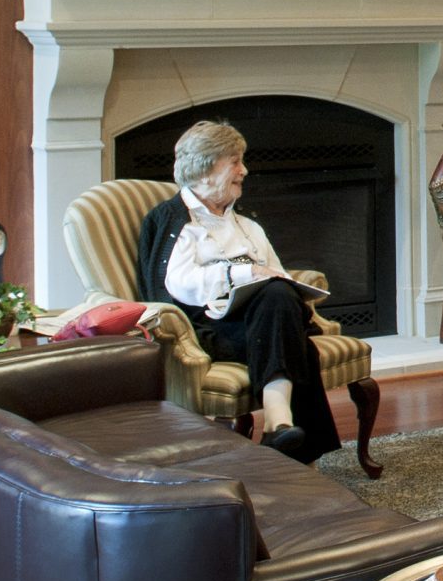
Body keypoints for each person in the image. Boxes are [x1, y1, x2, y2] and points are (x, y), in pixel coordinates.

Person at [135, 119, 343, 464]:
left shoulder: (246, 225)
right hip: (209, 329)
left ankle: (283, 432)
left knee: (279, 300)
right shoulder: (174, 221)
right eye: (234, 162)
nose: (244, 171)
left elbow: (276, 275)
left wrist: (276, 283)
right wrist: (245, 272)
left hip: (260, 326)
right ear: (204, 168)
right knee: (288, 324)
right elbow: (178, 283)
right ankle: (287, 440)